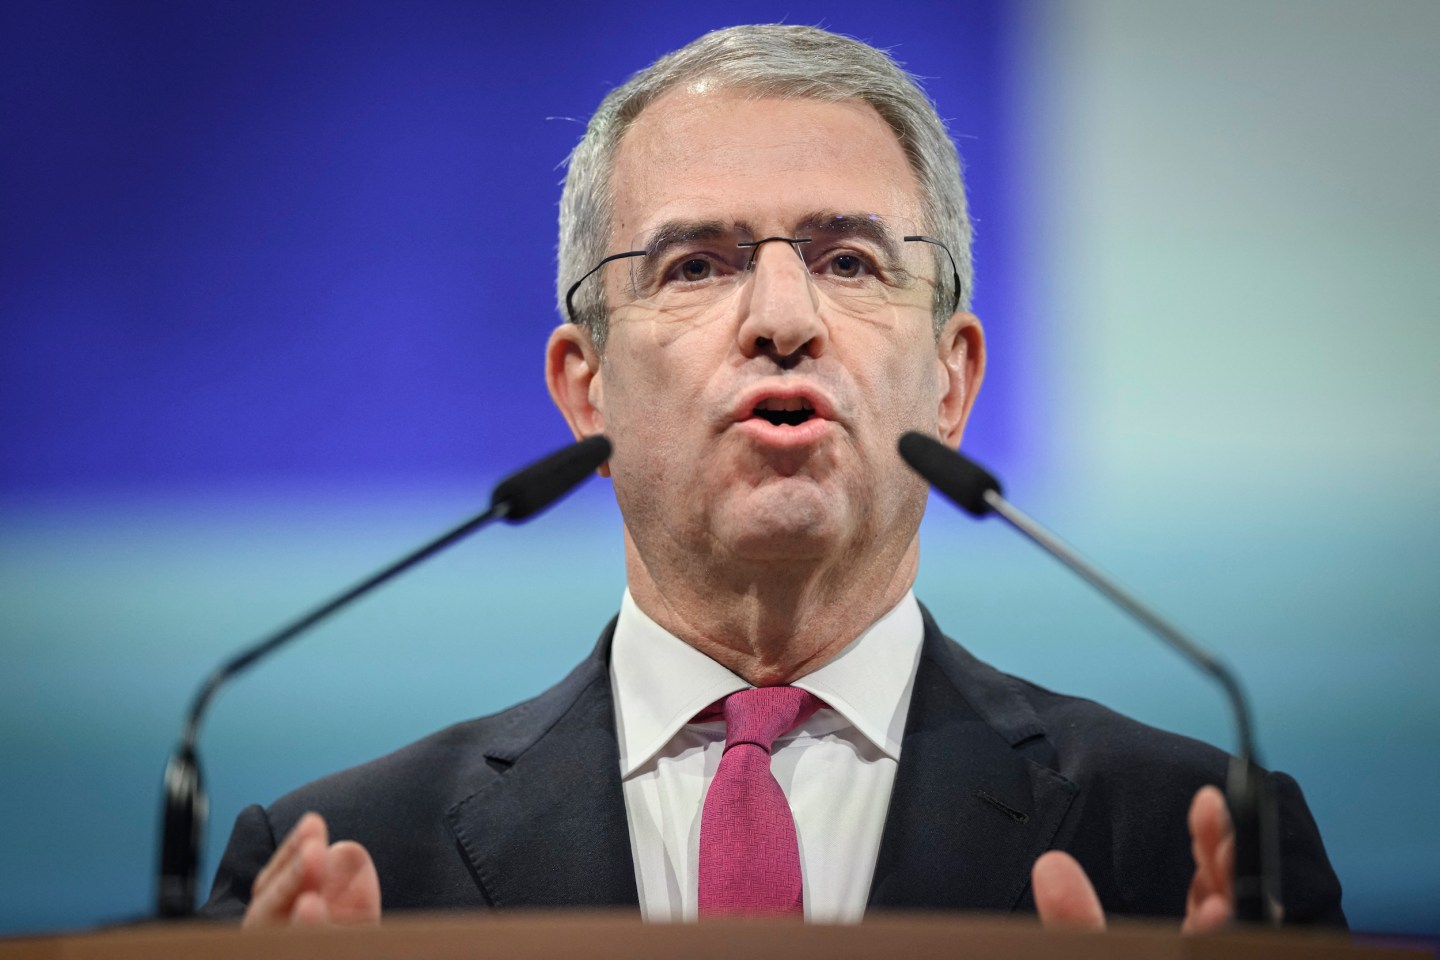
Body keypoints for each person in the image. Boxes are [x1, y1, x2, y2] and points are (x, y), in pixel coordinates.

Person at [201, 24, 1344, 930]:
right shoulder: (348, 867)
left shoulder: (1189, 848)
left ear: (952, 379)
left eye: (850, 261)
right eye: (698, 265)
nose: (784, 321)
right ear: (583, 382)